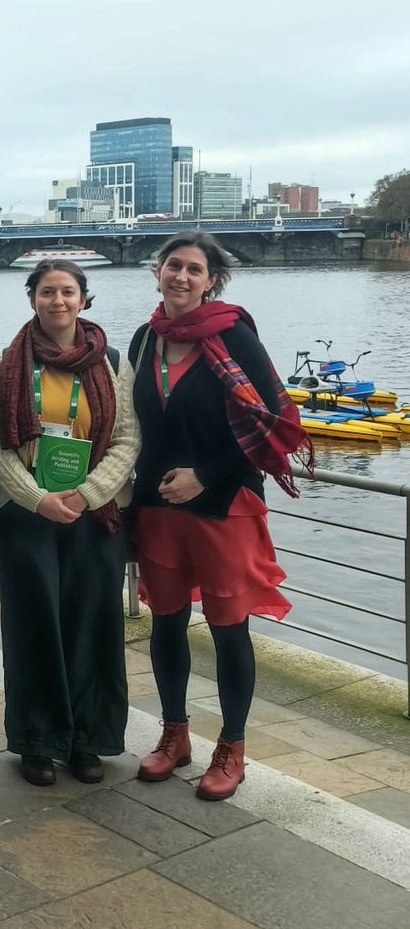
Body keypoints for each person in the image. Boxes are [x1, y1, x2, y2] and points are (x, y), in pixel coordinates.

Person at [129, 231, 311, 801]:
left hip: (223, 503)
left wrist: (204, 474)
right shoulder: (144, 340)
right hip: (158, 507)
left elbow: (274, 425)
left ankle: (231, 747)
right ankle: (174, 734)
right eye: (173, 266)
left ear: (211, 281)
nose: (181, 276)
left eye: (194, 269)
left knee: (231, 629)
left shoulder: (234, 334)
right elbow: (133, 427)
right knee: (166, 622)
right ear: (158, 273)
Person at [0, 260, 139, 786]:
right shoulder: (5, 365)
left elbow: (127, 440)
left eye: (68, 291)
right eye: (47, 292)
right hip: (27, 515)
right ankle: (38, 742)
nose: (58, 301)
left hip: (95, 514)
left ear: (83, 299)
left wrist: (90, 493)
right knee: (33, 628)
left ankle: (87, 740)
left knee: (92, 625)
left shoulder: (113, 363)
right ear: (32, 300)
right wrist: (36, 497)